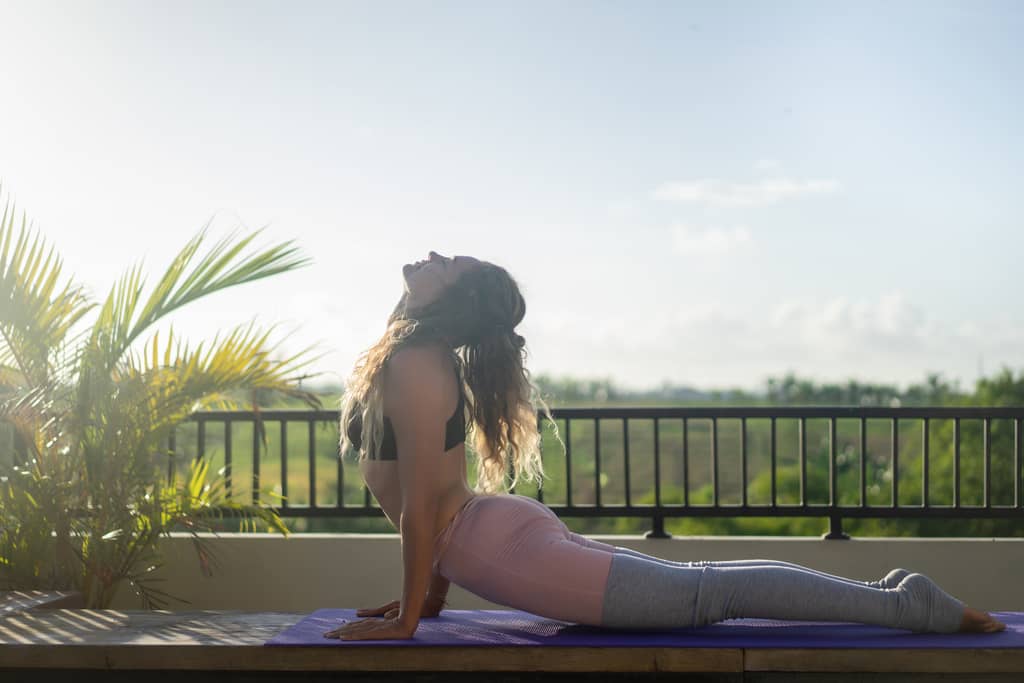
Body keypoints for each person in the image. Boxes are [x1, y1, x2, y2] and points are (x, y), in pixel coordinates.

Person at [324, 251, 1005, 641]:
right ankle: (893, 595)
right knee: (703, 587)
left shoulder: (418, 360)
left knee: (706, 594)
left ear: (451, 301)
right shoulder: (415, 350)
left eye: (450, 261)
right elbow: (432, 497)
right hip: (494, 531)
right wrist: (426, 603)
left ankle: (907, 604)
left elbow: (422, 503)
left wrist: (411, 618)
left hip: (495, 540)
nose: (435, 255)